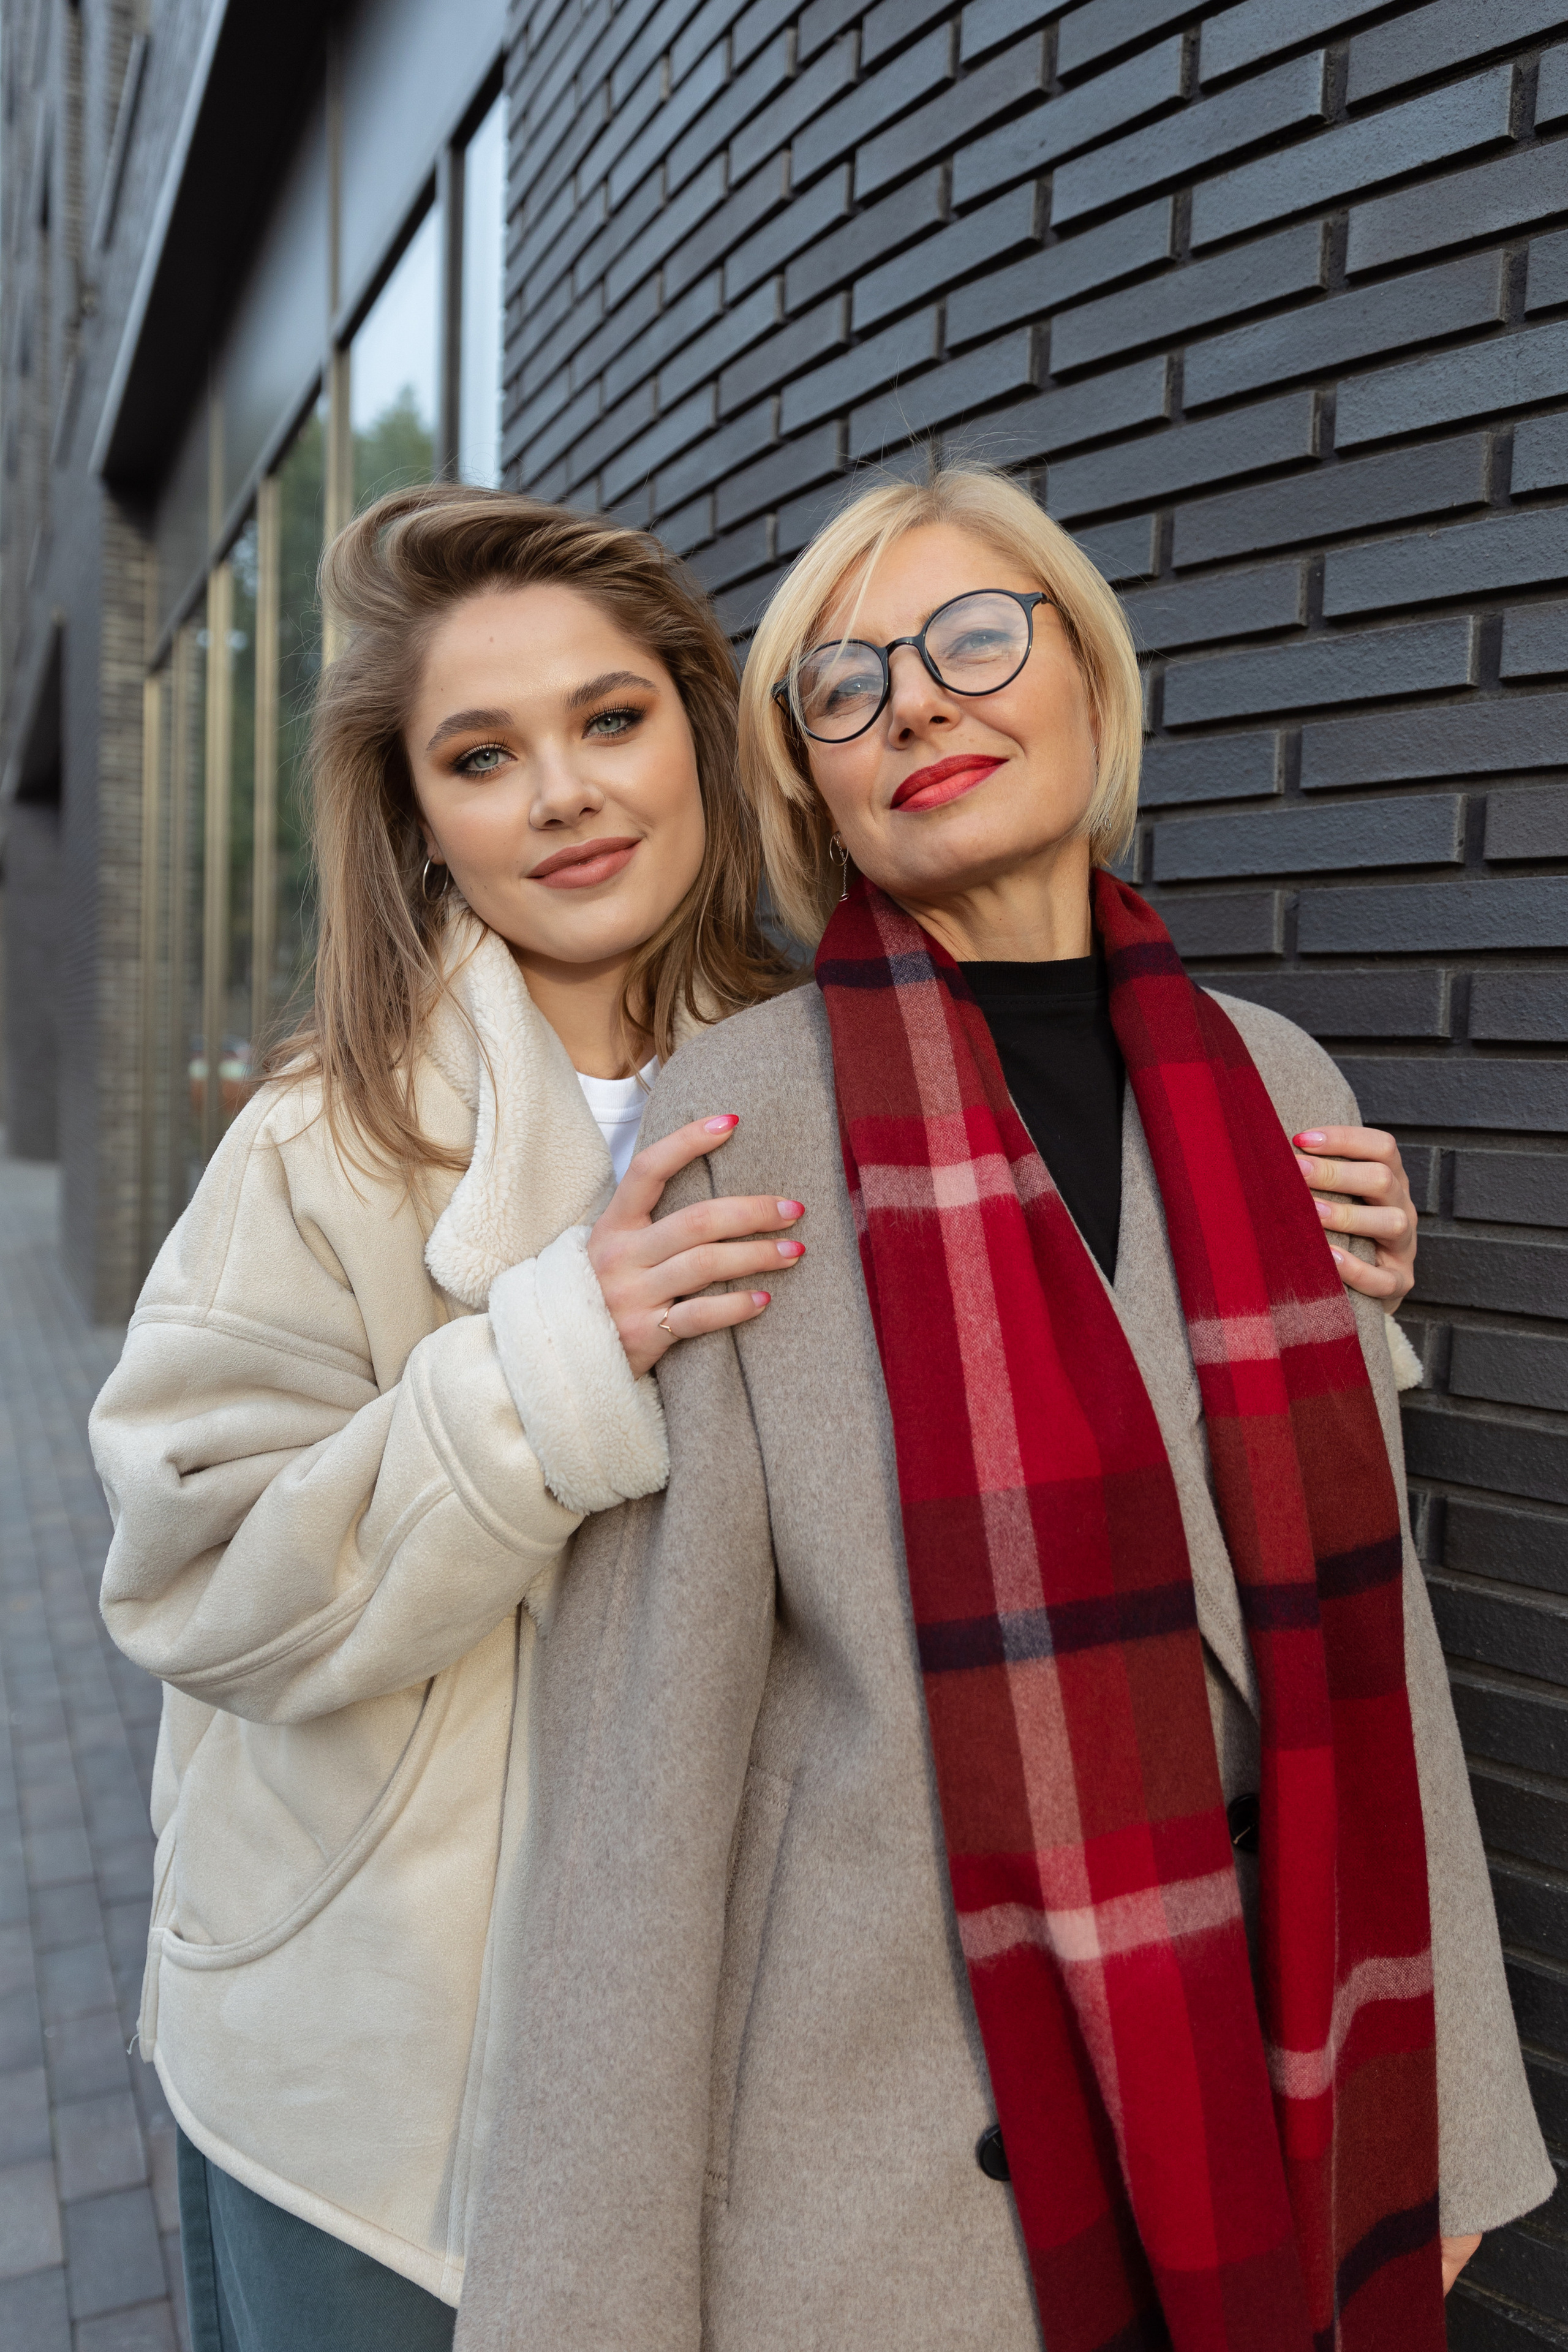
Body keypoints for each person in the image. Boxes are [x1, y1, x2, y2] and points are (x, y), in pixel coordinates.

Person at [453, 467, 1551, 2352]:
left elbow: (1374, 1644)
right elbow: (651, 1750)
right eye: (848, 686)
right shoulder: (743, 1122)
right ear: (813, 785)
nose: (918, 704)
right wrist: (596, 2299)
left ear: (1091, 686)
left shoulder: (1278, 1087)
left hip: (1281, 2069)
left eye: (973, 639)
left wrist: (1442, 2127)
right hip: (890, 2151)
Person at [89, 484, 806, 2350]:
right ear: (417, 818)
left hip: (724, 2027)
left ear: (699, 735)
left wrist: (1288, 1235)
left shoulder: (840, 1088)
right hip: (379, 2071)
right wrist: (549, 1364)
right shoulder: (322, 1140)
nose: (564, 793)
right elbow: (191, 1569)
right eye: (483, 756)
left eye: (610, 719)